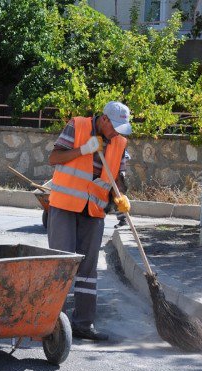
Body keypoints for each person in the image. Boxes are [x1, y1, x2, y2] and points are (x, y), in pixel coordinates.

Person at [47, 101, 133, 341]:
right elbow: (53, 158)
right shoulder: (78, 126)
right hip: (64, 206)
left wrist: (122, 198)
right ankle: (53, 323)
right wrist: (83, 150)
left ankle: (83, 323)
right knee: (62, 264)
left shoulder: (119, 142)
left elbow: (118, 178)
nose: (116, 132)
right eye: (114, 126)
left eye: (120, 129)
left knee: (87, 270)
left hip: (93, 211)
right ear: (104, 119)